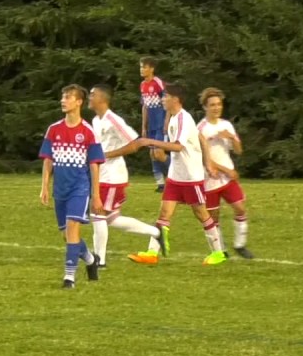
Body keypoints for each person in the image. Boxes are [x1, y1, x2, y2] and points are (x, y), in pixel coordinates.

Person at [129, 83, 227, 266]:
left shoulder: (184, 118)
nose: (162, 99)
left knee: (201, 213)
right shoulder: (174, 118)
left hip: (191, 178)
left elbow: (178, 146)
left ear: (175, 99)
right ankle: (152, 253)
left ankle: (218, 253)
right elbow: (198, 138)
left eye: (165, 96)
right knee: (164, 213)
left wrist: (149, 141)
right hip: (176, 176)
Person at [87, 85, 166, 268]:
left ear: (103, 99)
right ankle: (156, 232)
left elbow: (136, 143)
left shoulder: (113, 120)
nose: (89, 98)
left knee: (97, 214)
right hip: (102, 175)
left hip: (112, 176)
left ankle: (100, 261)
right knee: (111, 218)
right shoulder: (96, 120)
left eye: (92, 94)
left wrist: (106, 155)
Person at [40, 84, 105, 289]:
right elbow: (48, 160)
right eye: (62, 97)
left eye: (68, 97)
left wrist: (96, 195)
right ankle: (90, 259)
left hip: (80, 188)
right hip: (60, 189)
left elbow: (94, 165)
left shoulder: (88, 132)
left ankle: (69, 277)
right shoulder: (53, 129)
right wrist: (44, 187)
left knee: (72, 228)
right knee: (67, 235)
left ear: (79, 102)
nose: (63, 100)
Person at [197, 87, 254, 259]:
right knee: (213, 217)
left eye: (219, 104)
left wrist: (231, 137)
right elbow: (203, 158)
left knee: (240, 209)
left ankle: (240, 245)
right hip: (210, 179)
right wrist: (226, 170)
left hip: (227, 179)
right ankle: (220, 249)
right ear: (205, 107)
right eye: (212, 105)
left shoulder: (226, 125)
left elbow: (238, 150)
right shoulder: (201, 129)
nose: (216, 108)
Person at [139, 56, 170, 192]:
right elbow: (145, 106)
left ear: (152, 69)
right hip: (151, 125)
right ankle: (160, 184)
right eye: (141, 67)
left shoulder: (158, 83)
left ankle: (178, 175)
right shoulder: (142, 85)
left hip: (160, 123)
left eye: (144, 67)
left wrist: (166, 121)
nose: (142, 69)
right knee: (152, 154)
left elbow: (167, 102)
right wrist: (144, 126)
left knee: (159, 153)